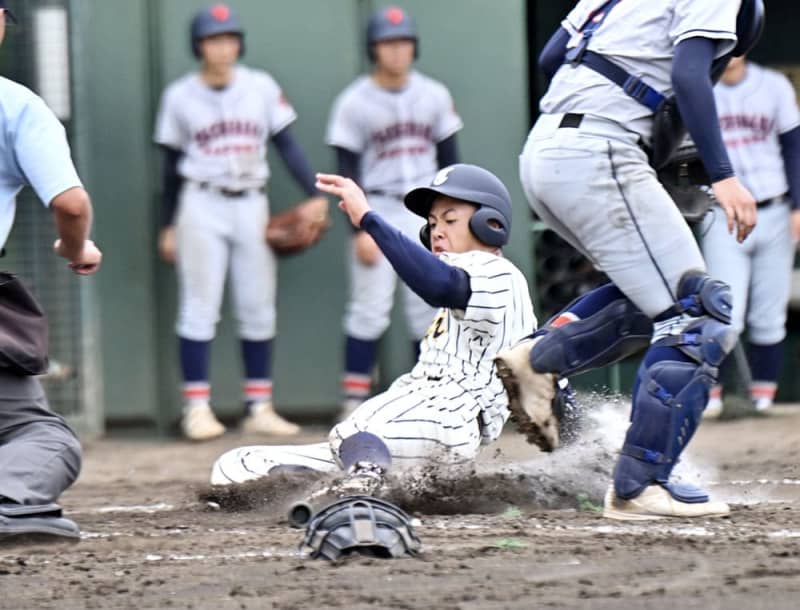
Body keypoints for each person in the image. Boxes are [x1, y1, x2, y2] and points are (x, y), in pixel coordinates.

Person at [494, 0, 764, 520]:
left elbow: (553, 55)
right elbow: (689, 73)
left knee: (654, 305)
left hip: (548, 150)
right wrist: (723, 172)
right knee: (697, 315)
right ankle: (641, 484)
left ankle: (539, 360)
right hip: (601, 150)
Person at [209, 164, 535, 496]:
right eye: (433, 223)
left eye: (450, 220)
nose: (437, 231)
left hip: (450, 417)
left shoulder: (497, 271)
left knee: (357, 429)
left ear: (491, 225)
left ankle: (360, 486)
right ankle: (351, 482)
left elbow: (440, 284)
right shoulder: (466, 279)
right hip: (409, 420)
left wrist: (368, 218)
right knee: (239, 465)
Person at [153, 4, 328, 441]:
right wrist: (168, 223)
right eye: (214, 39)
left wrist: (314, 193)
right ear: (199, 46)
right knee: (199, 306)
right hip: (200, 203)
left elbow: (288, 146)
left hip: (251, 202)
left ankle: (258, 406)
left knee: (257, 306)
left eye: (229, 38)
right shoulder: (179, 96)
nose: (223, 46)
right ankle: (196, 408)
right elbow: (170, 167)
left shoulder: (260, 86)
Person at [326, 6, 463, 418]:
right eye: (388, 43)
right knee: (369, 309)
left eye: (403, 43)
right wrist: (358, 229)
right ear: (374, 49)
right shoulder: (354, 101)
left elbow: (450, 161)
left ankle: (429, 395)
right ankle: (353, 402)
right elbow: (345, 167)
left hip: (424, 210)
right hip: (379, 207)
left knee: (425, 310)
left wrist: (448, 220)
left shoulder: (435, 94)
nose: (397, 51)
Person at [0, 2, 102, 540]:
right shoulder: (14, 104)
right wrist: (75, 245)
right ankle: (8, 498)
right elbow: (71, 204)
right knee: (44, 439)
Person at [702, 56, 800, 416]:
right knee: (724, 312)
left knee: (769, 314)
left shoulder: (773, 85)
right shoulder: (701, 86)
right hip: (722, 212)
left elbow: (794, 146)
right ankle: (711, 394)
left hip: (774, 208)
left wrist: (798, 205)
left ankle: (762, 398)